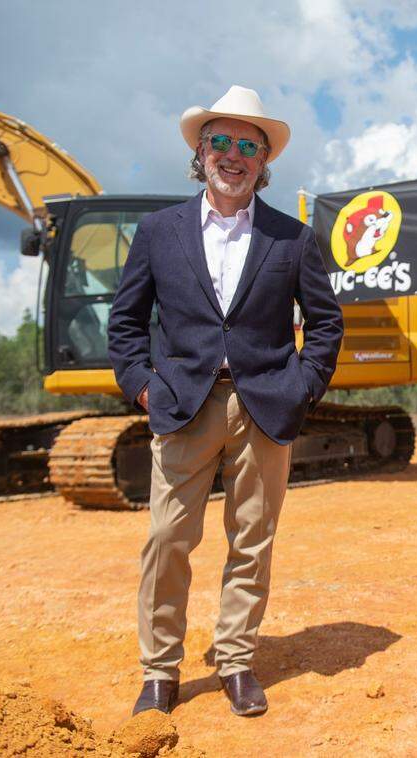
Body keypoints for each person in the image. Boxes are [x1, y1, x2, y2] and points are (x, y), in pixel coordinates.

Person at [107, 85, 343, 717]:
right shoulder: (159, 232)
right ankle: (160, 671)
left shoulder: (291, 239)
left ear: (263, 162)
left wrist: (302, 387)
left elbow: (324, 323)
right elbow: (126, 322)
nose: (233, 155)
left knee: (252, 540)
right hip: (182, 403)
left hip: (265, 407)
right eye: (222, 142)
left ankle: (236, 660)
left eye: (248, 145)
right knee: (167, 537)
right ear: (200, 152)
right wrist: (142, 384)